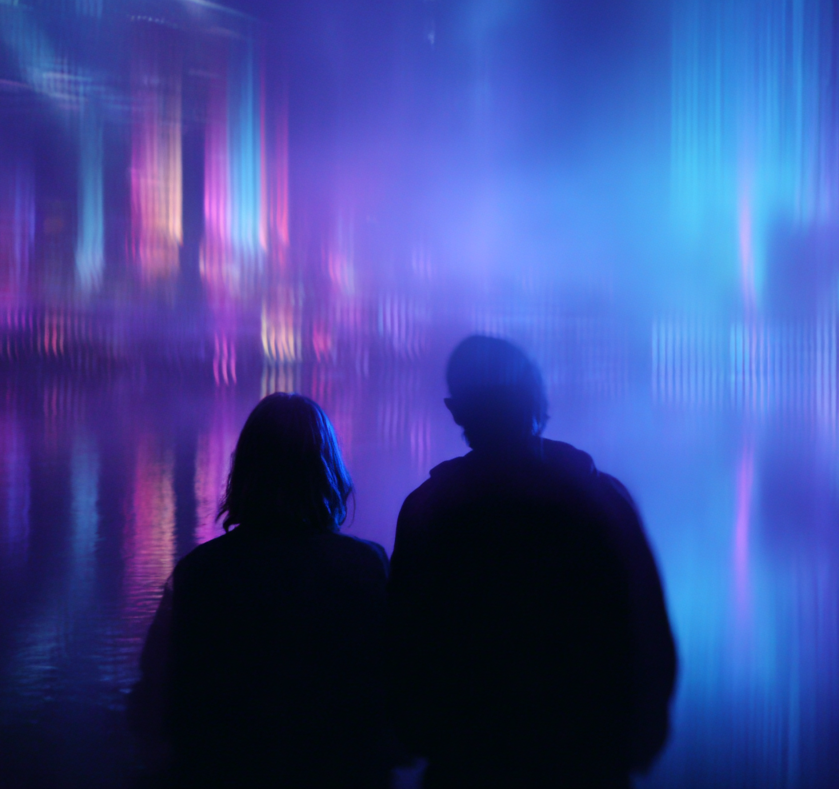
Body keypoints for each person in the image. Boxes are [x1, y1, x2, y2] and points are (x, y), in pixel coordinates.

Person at [387, 335, 677, 788]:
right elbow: (647, 630)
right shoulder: (603, 501)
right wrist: (636, 736)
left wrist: (419, 734)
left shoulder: (428, 512)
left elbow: (405, 644)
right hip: (587, 760)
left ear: (457, 409)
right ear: (537, 397)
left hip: (467, 763)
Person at [129, 393, 392, 788]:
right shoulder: (365, 567)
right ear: (327, 469)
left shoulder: (200, 572)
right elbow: (394, 683)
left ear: (246, 469)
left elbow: (156, 695)